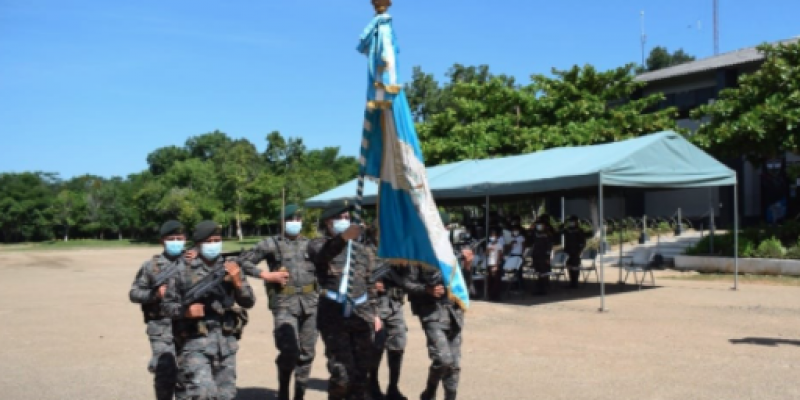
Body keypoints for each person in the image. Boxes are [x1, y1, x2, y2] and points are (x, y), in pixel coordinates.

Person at [162, 221, 255, 400]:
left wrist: (237, 283)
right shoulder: (182, 271)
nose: (214, 244)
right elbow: (166, 307)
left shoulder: (231, 267)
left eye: (217, 240)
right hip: (194, 343)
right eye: (209, 241)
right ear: (198, 243)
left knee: (225, 395)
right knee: (202, 393)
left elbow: (249, 302)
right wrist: (185, 312)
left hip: (225, 344)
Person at [237, 205, 318, 400]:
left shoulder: (311, 244)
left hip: (311, 303)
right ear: (281, 222)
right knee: (289, 350)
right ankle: (283, 392)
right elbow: (243, 262)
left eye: (298, 219)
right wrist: (266, 274)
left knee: (307, 353)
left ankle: (299, 395)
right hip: (284, 303)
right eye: (291, 219)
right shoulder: (270, 244)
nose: (295, 222)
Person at [308, 205, 381, 400]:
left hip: (361, 314)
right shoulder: (318, 244)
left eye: (348, 216)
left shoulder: (363, 251)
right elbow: (324, 255)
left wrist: (375, 313)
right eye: (340, 217)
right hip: (334, 315)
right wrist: (343, 238)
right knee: (342, 374)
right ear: (328, 222)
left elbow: (370, 283)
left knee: (361, 373)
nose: (345, 220)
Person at [400, 249, 472, 400]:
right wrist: (427, 290)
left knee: (454, 364)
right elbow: (406, 283)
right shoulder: (418, 255)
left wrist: (467, 266)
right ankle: (429, 392)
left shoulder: (451, 254)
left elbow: (463, 285)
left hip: (454, 313)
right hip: (432, 313)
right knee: (443, 359)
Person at [129, 220, 186, 400]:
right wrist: (155, 294)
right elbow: (134, 293)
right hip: (161, 326)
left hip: (188, 324)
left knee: (188, 372)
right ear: (162, 241)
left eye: (180, 238)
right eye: (172, 238)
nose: (176, 241)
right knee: (165, 370)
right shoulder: (151, 266)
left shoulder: (193, 261)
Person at [364, 224, 408, 400]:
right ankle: (372, 385)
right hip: (375, 305)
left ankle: (393, 387)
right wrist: (371, 286)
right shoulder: (365, 252)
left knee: (398, 344)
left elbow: (408, 279)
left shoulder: (396, 252)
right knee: (376, 346)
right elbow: (355, 279)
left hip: (394, 304)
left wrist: (405, 265)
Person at [529, 214, 556, 295]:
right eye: (538, 225)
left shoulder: (547, 234)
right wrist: (533, 224)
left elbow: (549, 246)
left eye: (540, 224)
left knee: (543, 273)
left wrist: (548, 257)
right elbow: (529, 234)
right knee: (538, 273)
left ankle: (543, 290)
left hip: (544, 256)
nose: (539, 226)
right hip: (536, 255)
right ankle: (538, 289)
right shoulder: (535, 233)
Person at [562, 215, 587, 288]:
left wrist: (580, 250)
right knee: (569, 266)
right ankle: (571, 282)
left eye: (572, 221)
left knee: (575, 267)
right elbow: (559, 232)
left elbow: (583, 242)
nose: (571, 223)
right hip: (568, 251)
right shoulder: (567, 230)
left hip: (576, 251)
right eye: (570, 221)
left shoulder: (579, 231)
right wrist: (563, 225)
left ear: (576, 222)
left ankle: (575, 282)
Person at [486, 228, 504, 300]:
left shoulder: (499, 245)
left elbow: (500, 255)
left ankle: (496, 296)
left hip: (496, 263)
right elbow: (486, 253)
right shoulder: (489, 244)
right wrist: (488, 250)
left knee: (496, 280)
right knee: (490, 279)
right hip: (490, 262)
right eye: (491, 236)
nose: (492, 237)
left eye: (494, 236)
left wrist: (497, 265)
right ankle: (490, 295)